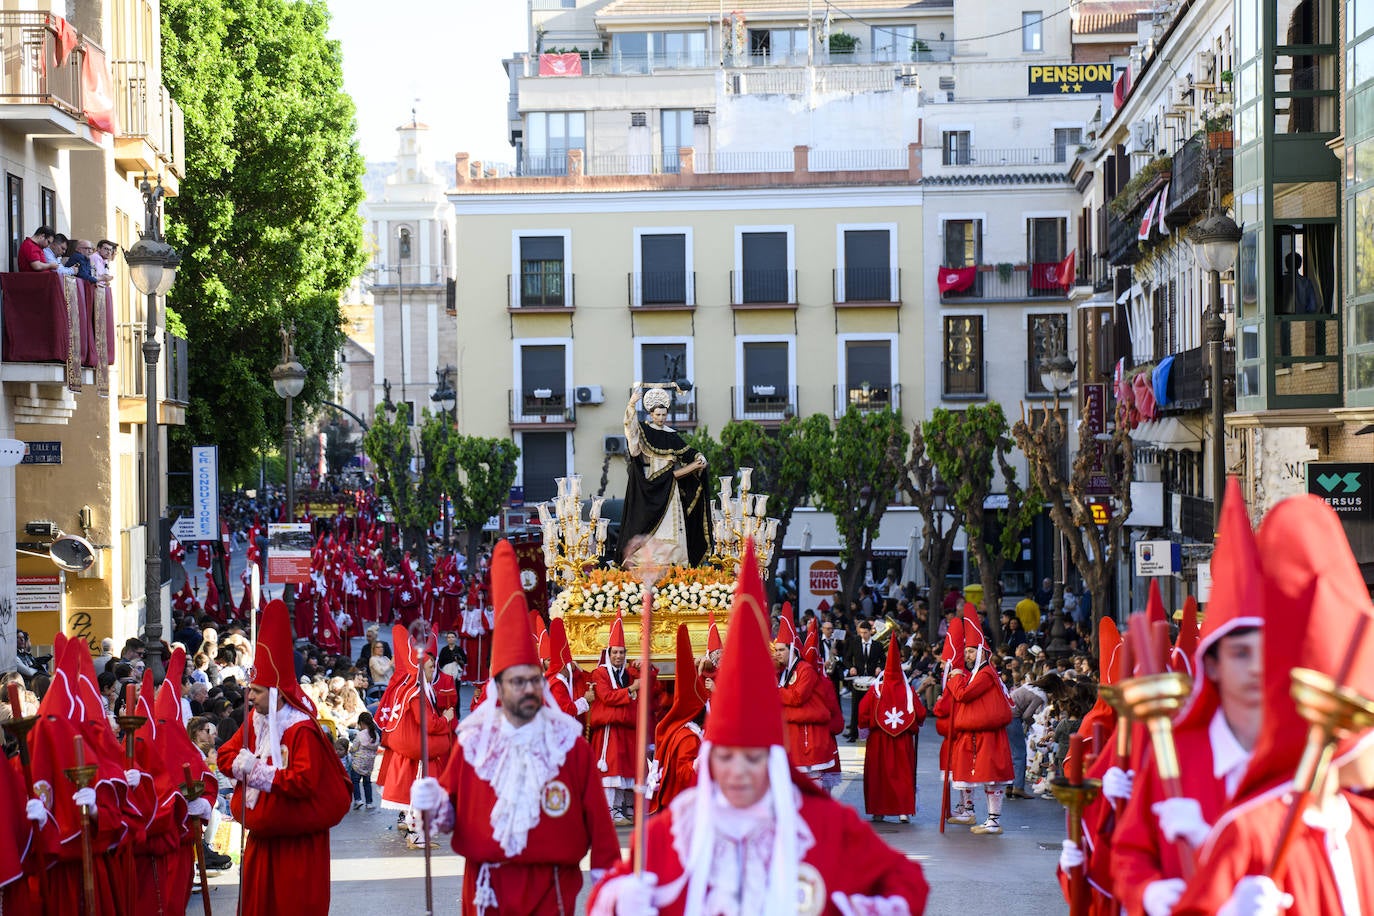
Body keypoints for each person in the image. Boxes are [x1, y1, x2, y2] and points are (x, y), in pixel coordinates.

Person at [588, 544, 930, 915]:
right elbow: (605, 892)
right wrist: (618, 898)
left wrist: (855, 907)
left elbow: (908, 883)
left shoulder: (826, 825)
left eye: (752, 757)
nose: (738, 771)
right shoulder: (668, 833)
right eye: (726, 756)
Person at [409, 539, 620, 915]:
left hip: (550, 888)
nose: (528, 689)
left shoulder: (568, 743)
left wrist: (612, 885)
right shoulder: (474, 742)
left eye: (533, 680)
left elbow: (600, 822)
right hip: (486, 888)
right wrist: (430, 804)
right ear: (498, 687)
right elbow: (448, 812)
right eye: (517, 682)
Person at [1109, 486, 1264, 916]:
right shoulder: (1174, 754)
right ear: (1211, 665)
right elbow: (1128, 854)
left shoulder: (1297, 760)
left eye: (1265, 651)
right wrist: (1150, 892)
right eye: (1240, 654)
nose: (1256, 668)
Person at [217, 599, 352, 916]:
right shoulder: (256, 719)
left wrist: (258, 772)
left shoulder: (301, 730)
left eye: (258, 691)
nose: (251, 697)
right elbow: (226, 753)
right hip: (263, 839)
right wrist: (240, 765)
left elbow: (304, 782)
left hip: (297, 845)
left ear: (276, 693)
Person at [936, 611, 1014, 835]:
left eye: (970, 651)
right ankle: (981, 816)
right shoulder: (978, 673)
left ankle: (994, 821)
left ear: (981, 652)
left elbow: (963, 695)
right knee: (980, 775)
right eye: (967, 651)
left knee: (992, 778)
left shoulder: (985, 673)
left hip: (987, 734)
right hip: (978, 733)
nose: (967, 655)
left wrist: (956, 677)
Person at [618, 383, 711, 567]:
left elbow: (687, 451)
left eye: (663, 414)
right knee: (647, 524)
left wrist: (698, 457)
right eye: (657, 415)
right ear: (651, 414)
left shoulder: (672, 436)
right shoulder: (644, 431)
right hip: (651, 487)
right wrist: (630, 406)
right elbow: (632, 436)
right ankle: (646, 561)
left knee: (673, 525)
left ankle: (674, 562)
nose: (661, 418)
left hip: (670, 489)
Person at [858, 635, 925, 824]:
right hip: (902, 741)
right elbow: (919, 713)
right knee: (902, 774)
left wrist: (864, 729)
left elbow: (863, 711)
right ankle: (903, 811)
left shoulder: (876, 688)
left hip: (879, 740)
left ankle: (879, 811)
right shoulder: (908, 690)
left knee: (879, 775)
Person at [588, 611, 642, 825]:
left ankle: (623, 809)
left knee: (624, 768)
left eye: (621, 652)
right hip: (609, 728)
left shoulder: (628, 672)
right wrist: (630, 691)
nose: (618, 656)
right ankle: (607, 811)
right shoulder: (600, 673)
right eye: (615, 653)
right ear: (608, 654)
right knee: (611, 768)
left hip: (625, 727)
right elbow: (607, 696)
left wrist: (642, 671)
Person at [648, 624, 707, 815]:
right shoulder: (688, 737)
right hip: (680, 806)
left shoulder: (683, 730)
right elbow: (684, 773)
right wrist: (702, 762)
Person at [842, 619, 883, 740]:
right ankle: (853, 733)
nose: (863, 635)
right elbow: (847, 659)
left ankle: (873, 732)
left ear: (870, 632)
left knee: (873, 707)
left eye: (865, 632)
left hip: (872, 680)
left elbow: (884, 660)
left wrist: (879, 667)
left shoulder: (877, 645)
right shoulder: (855, 643)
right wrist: (851, 667)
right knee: (855, 707)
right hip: (858, 679)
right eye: (861, 632)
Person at [349, 711, 379, 810]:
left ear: (361, 723)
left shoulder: (360, 735)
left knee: (355, 781)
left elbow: (354, 747)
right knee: (367, 783)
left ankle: (358, 800)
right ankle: (369, 802)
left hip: (358, 763)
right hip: (369, 764)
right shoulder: (375, 735)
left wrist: (351, 751)